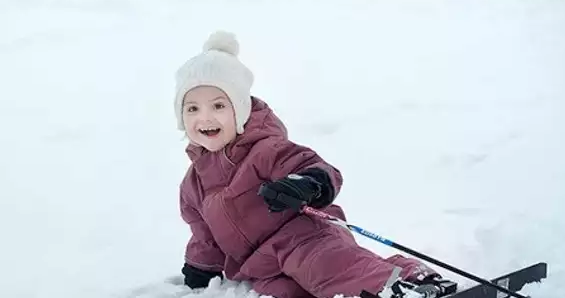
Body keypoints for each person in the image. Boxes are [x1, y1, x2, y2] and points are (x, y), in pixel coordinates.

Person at [174, 30, 457, 298]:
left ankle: (403, 285)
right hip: (263, 266)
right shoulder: (192, 186)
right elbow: (205, 237)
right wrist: (199, 268)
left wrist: (307, 183)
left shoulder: (265, 149)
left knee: (328, 269)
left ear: (241, 109)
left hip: (306, 236)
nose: (205, 117)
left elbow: (315, 167)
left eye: (219, 106)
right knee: (286, 293)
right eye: (192, 108)